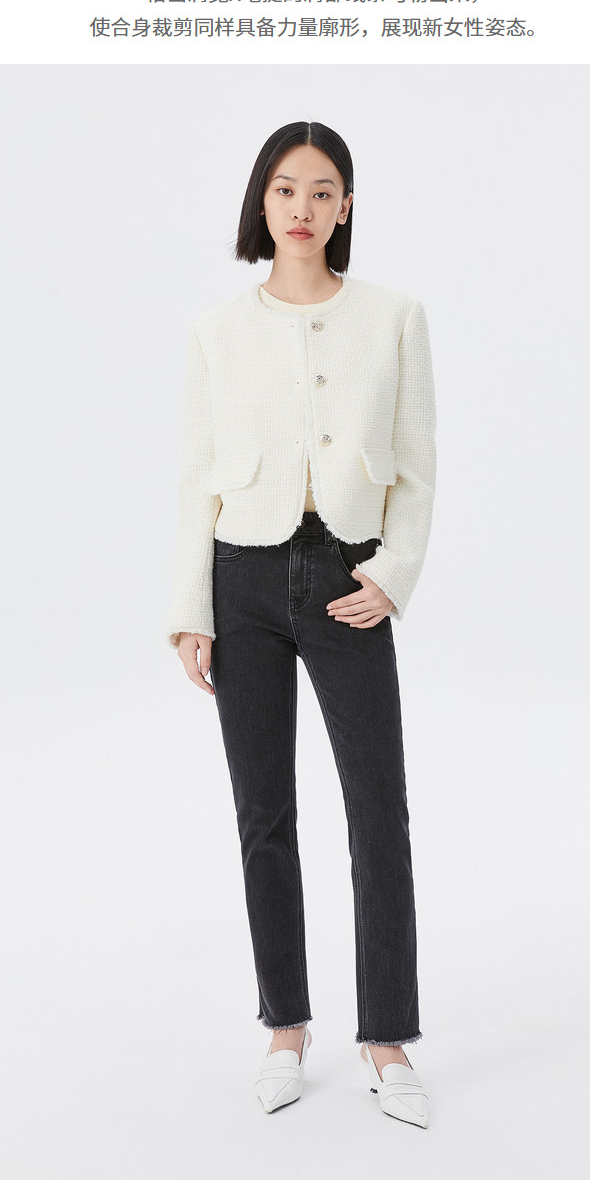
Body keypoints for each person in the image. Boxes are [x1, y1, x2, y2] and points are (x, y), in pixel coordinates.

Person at [166, 121, 437, 1127]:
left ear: (346, 207)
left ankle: (388, 1039)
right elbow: (195, 479)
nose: (303, 207)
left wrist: (393, 576)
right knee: (263, 814)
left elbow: (418, 468)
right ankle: (286, 1027)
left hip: (345, 576)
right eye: (286, 188)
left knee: (378, 811)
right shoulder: (217, 331)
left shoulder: (395, 318)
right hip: (240, 576)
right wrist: (190, 611)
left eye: (323, 190)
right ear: (262, 200)